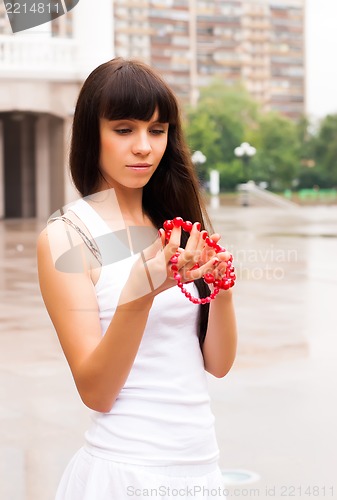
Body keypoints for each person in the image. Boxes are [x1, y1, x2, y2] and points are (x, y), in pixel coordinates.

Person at [37, 58, 237, 499]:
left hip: (200, 470)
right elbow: (96, 392)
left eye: (157, 129)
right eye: (125, 129)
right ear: (93, 135)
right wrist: (140, 291)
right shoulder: (68, 236)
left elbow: (217, 365)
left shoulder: (175, 227)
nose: (144, 146)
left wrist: (220, 286)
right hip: (123, 473)